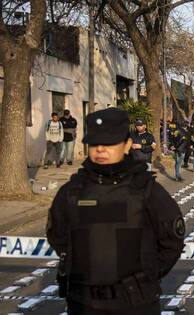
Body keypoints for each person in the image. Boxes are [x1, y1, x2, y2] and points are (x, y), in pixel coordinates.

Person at [46, 107, 184, 315]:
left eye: (109, 143)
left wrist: (147, 275)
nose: (100, 149)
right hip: (83, 302)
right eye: (94, 143)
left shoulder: (146, 190)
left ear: (127, 144)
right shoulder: (72, 192)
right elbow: (57, 235)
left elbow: (171, 241)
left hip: (136, 303)